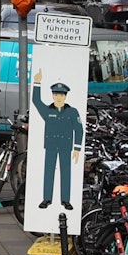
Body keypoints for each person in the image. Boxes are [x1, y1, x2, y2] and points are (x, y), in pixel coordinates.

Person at [31, 70, 83, 211]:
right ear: (53, 95)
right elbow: (36, 101)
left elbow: (79, 129)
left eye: (61, 95)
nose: (58, 97)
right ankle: (47, 198)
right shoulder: (48, 111)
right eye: (56, 94)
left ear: (65, 96)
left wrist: (77, 148)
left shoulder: (72, 112)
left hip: (65, 146)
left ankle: (65, 200)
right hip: (51, 146)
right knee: (49, 171)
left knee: (65, 172)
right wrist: (37, 82)